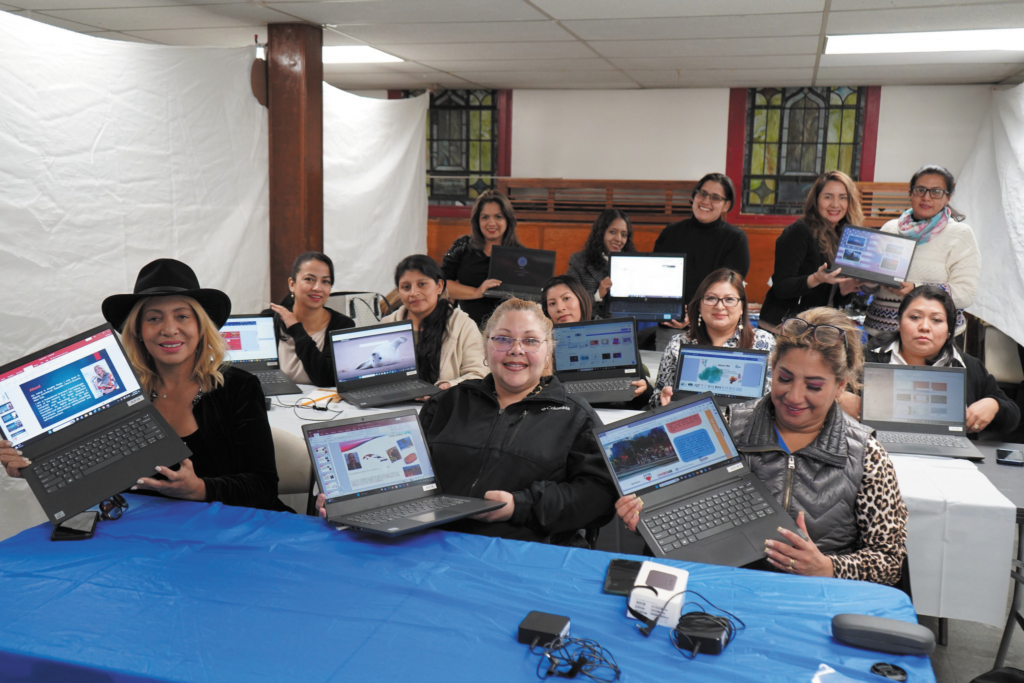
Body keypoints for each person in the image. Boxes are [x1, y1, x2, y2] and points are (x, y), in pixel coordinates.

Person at [617, 307, 909, 586]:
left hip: (813, 598)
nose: (794, 396)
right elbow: (684, 507)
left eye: (814, 386)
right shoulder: (727, 427)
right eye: (784, 378)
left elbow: (890, 561)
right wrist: (648, 517)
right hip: (723, 584)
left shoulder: (866, 454)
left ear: (841, 386)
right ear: (773, 368)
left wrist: (827, 568)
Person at [316, 298, 618, 544]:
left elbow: (599, 495)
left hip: (522, 551)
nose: (516, 350)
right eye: (502, 339)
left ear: (548, 348)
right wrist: (352, 497)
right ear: (486, 346)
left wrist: (521, 506)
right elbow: (404, 471)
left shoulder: (575, 416)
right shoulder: (448, 403)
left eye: (530, 341)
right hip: (431, 543)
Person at [2, 259, 284, 511]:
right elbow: (99, 478)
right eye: (154, 318)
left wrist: (200, 489)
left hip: (232, 530)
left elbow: (263, 487)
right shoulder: (116, 392)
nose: (169, 329)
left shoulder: (238, 387)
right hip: (147, 536)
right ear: (137, 330)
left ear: (201, 326)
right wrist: (36, 467)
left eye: (182, 316)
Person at [862, 285, 1019, 435]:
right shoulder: (866, 358)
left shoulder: (968, 366)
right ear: (899, 324)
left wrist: (994, 405)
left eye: (936, 320)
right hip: (878, 449)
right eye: (915, 317)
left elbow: (1012, 417)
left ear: (949, 331)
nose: (924, 327)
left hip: (950, 455)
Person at [863, 165, 980, 338]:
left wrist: (916, 290)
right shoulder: (890, 228)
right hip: (882, 334)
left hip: (934, 338)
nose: (926, 197)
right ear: (910, 193)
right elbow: (870, 287)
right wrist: (864, 277)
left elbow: (965, 293)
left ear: (948, 197)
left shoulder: (960, 235)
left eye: (936, 192)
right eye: (920, 190)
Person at [649, 269, 775, 409]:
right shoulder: (678, 344)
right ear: (699, 306)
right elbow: (655, 402)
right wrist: (664, 400)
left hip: (746, 427)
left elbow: (773, 402)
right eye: (711, 298)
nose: (720, 306)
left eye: (729, 299)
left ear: (742, 307)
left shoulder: (763, 342)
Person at [760, 171, 866, 332]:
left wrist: (845, 291)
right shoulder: (799, 231)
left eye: (842, 197)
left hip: (818, 327)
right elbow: (781, 287)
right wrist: (816, 278)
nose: (835, 204)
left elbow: (835, 299)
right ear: (816, 200)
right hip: (784, 327)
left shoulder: (847, 236)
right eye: (828, 197)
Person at [652, 173, 749, 340]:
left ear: (726, 205)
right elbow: (657, 278)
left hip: (713, 327)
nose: (705, 201)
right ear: (694, 196)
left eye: (715, 198)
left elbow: (728, 288)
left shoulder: (736, 239)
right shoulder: (671, 232)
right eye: (702, 194)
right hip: (672, 324)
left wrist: (694, 314)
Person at [380, 254, 487, 393]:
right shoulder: (387, 325)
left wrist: (446, 389)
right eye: (406, 287)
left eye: (422, 284)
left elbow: (479, 374)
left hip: (445, 406)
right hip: (393, 407)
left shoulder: (462, 325)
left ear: (439, 286)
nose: (413, 293)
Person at [541, 275, 652, 407]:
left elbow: (647, 397)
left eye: (566, 298)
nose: (560, 308)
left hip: (615, 415)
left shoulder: (613, 332)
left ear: (581, 299)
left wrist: (643, 391)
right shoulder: (543, 345)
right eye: (552, 303)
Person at [264, 252, 355, 387]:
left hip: (324, 405)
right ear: (292, 284)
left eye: (325, 281)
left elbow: (327, 378)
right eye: (309, 279)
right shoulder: (269, 320)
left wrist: (296, 329)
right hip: (276, 406)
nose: (317, 288)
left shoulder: (342, 325)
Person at [441, 190, 523, 327]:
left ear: (508, 220)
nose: (491, 223)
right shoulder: (463, 246)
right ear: (477, 220)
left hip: (508, 329)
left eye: (498, 217)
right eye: (485, 217)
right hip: (468, 326)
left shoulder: (521, 255)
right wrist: (477, 292)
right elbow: (441, 284)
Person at [566, 209, 637, 313]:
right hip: (593, 323)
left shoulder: (634, 262)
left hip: (626, 319)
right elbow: (569, 300)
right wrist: (598, 294)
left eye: (624, 235)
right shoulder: (578, 261)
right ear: (601, 233)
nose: (619, 239)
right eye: (612, 232)